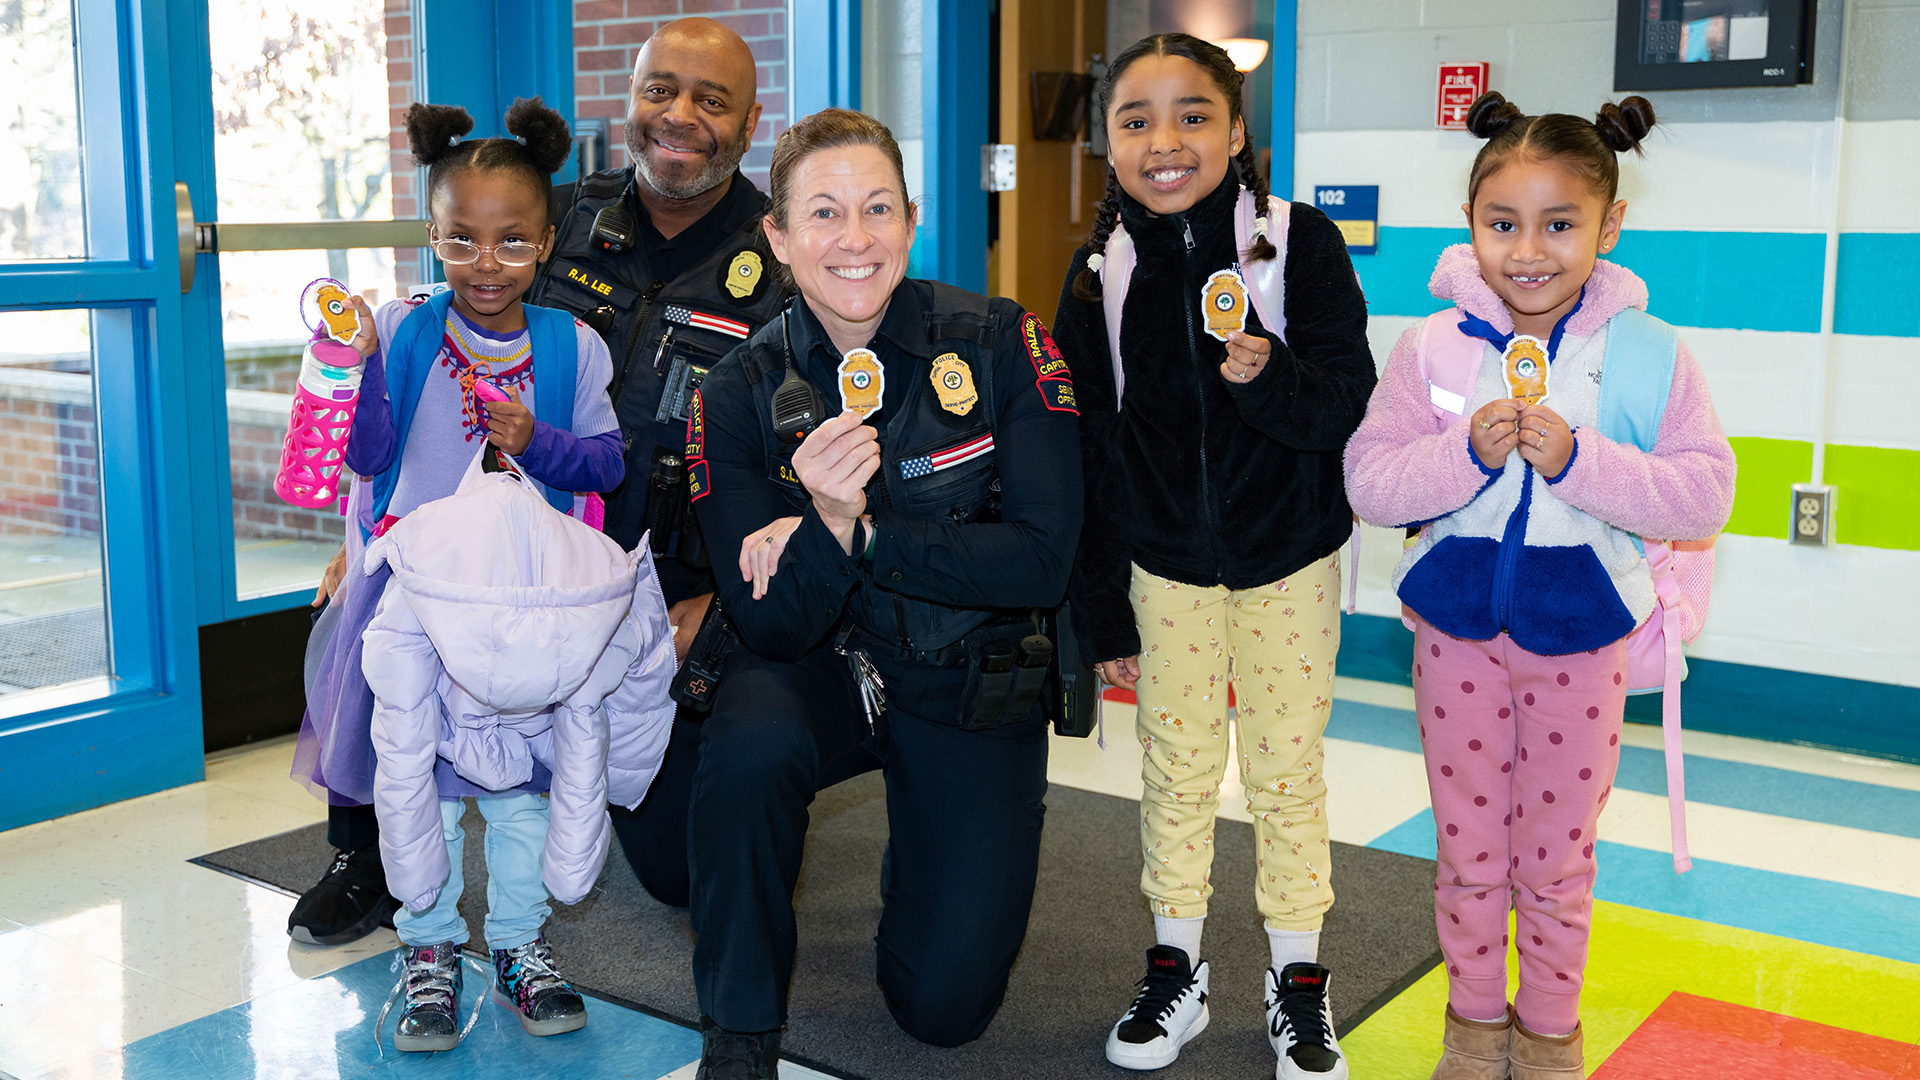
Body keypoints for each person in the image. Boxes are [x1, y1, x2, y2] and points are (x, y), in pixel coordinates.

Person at [285, 16, 785, 946]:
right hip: (490, 537)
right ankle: (369, 860)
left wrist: (720, 598)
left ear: (750, 123)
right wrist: (362, 537)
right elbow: (417, 364)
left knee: (675, 866)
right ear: (631, 100)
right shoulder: (554, 211)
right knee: (372, 643)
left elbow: (788, 460)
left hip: (665, 569)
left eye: (710, 100)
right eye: (659, 90)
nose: (678, 116)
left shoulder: (777, 261)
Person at [674, 108, 1082, 1079]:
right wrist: (821, 516)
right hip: (816, 663)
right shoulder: (734, 390)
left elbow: (1040, 560)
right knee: (745, 745)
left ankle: (929, 853)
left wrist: (849, 529)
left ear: (910, 221)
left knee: (942, 1011)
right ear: (776, 237)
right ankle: (740, 1036)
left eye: (876, 209)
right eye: (821, 213)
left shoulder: (999, 342)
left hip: (965, 671)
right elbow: (770, 619)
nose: (853, 239)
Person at [1343, 92, 1734, 1079]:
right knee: (1470, 853)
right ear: (1469, 224)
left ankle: (1549, 1034)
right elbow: (1369, 479)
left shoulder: (1646, 354)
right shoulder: (1432, 348)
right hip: (1454, 630)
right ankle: (1473, 1028)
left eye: (1560, 225)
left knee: (1555, 862)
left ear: (1609, 226)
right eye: (1501, 224)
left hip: (1585, 634)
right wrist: (1457, 459)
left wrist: (1582, 462)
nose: (1529, 251)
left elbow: (1706, 491)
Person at [1048, 33, 1375, 1080]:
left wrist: (1263, 375)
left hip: (1287, 559)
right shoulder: (1100, 271)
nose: (1165, 140)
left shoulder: (1300, 244)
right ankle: (1175, 972)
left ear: (1238, 131)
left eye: (1193, 114)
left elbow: (1342, 402)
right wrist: (1100, 609)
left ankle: (1298, 984)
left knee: (1287, 774)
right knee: (1176, 773)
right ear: (1107, 143)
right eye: (1135, 119)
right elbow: (1085, 447)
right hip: (1164, 569)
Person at [291, 96, 635, 1049]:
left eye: (513, 241)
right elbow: (370, 456)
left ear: (549, 240)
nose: (488, 264)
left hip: (529, 609)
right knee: (422, 793)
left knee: (522, 796)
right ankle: (430, 947)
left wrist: (542, 440)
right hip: (419, 608)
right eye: (463, 241)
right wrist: (357, 370)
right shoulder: (403, 333)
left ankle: (520, 944)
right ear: (432, 237)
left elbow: (607, 466)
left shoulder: (573, 346)